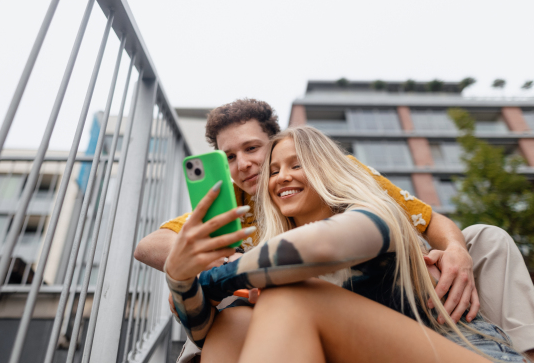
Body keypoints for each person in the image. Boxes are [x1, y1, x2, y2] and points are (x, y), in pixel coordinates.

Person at [134, 99, 534, 359]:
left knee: (286, 297)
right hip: (343, 335)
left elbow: (326, 245)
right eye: (230, 157)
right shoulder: (235, 206)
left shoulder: (366, 209)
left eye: (257, 150)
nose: (247, 166)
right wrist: (183, 279)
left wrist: (223, 275)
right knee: (235, 315)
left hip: (457, 345)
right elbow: (152, 247)